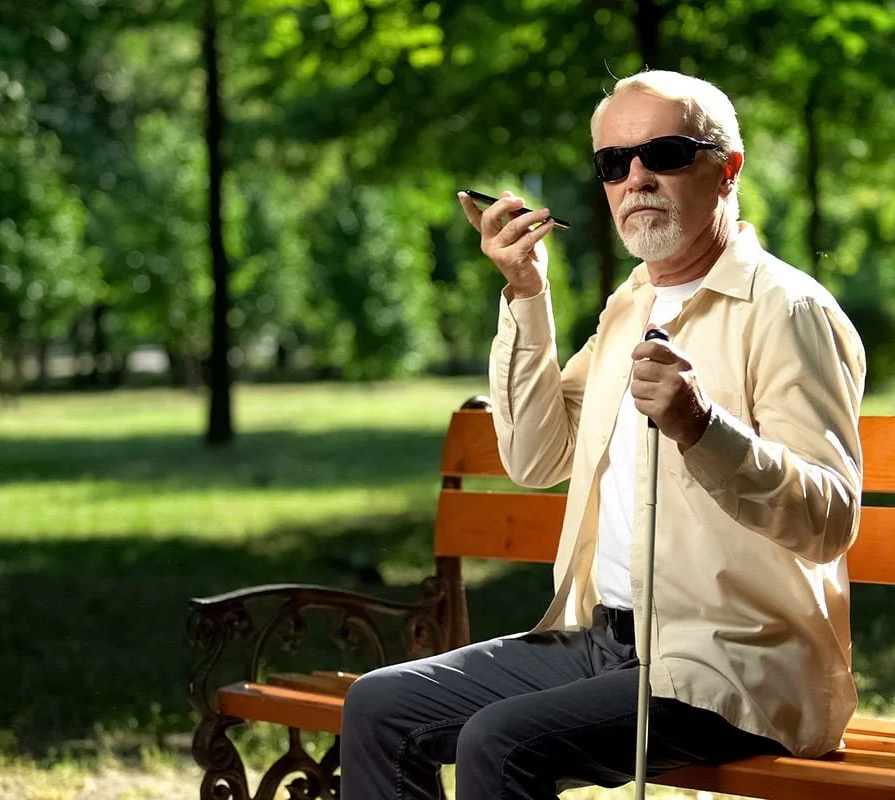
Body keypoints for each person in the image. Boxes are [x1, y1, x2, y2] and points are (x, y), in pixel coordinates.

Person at [339, 70, 866, 799]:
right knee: (380, 706)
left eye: (665, 154)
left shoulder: (787, 311)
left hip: (733, 660)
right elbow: (535, 458)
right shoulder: (633, 303)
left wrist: (703, 427)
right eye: (614, 163)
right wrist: (527, 293)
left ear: (727, 169)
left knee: (499, 743)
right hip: (600, 642)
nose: (636, 178)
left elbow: (829, 519)